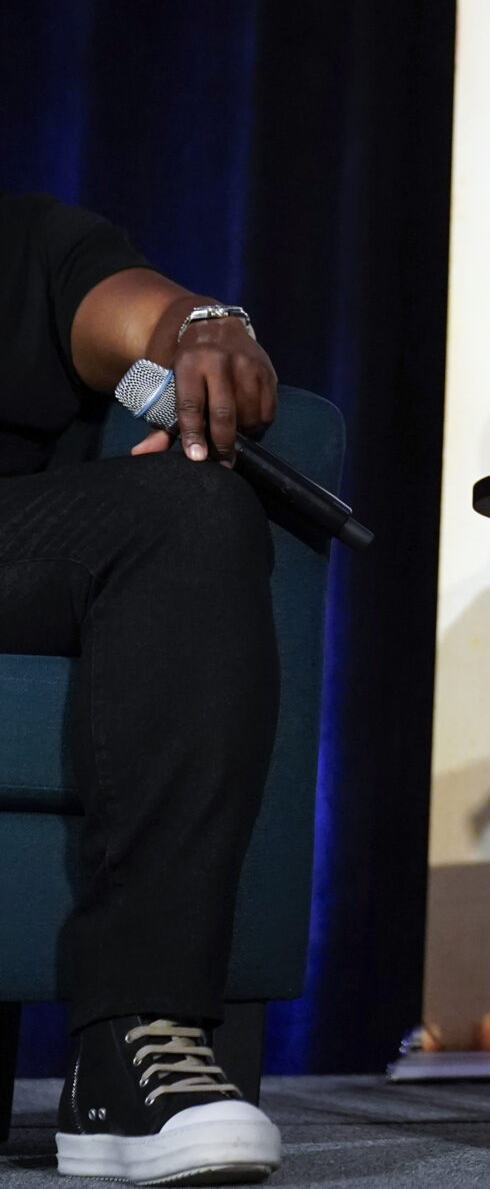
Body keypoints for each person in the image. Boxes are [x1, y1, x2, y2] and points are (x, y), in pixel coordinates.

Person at [0, 192, 285, 1185]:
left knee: (192, 507)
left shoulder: (25, 241)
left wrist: (208, 329)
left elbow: (146, 315)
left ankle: (133, 1049)